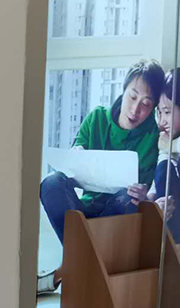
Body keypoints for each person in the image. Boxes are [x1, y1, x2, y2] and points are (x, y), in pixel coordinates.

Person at [40, 60, 164, 244]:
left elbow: (149, 195)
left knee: (128, 198)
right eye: (132, 97)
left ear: (154, 107)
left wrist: (144, 195)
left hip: (119, 211)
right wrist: (75, 156)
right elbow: (71, 166)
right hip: (84, 208)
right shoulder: (97, 118)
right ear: (124, 90)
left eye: (145, 104)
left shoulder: (155, 137)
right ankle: (84, 250)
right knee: (51, 183)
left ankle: (81, 251)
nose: (135, 109)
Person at [147, 71, 180, 240]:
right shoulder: (167, 140)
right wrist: (153, 204)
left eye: (167, 112)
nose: (162, 122)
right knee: (163, 168)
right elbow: (158, 181)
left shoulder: (170, 143)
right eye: (159, 113)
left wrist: (171, 146)